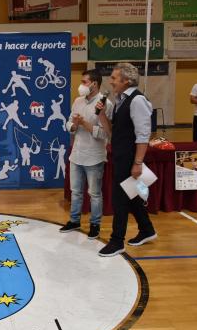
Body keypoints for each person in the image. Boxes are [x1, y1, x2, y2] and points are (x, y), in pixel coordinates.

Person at [99, 63, 157, 257]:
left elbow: (143, 134)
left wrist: (138, 163)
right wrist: (101, 115)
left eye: (114, 78)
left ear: (127, 81)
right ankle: (147, 230)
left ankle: (117, 242)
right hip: (120, 155)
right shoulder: (120, 100)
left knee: (120, 200)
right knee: (132, 196)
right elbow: (112, 133)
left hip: (129, 158)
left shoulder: (137, 100)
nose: (110, 81)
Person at [60, 69, 113, 240]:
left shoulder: (106, 104)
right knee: (76, 191)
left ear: (94, 84)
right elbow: (68, 125)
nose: (81, 86)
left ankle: (95, 224)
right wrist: (74, 125)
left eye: (84, 82)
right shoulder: (78, 101)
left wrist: (85, 123)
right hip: (76, 154)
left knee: (94, 193)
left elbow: (105, 134)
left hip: (95, 156)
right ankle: (74, 220)